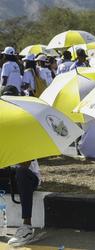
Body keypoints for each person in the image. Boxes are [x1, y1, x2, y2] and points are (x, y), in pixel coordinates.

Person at [1, 86, 41, 247]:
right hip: (7, 174)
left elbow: (26, 162)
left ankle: (26, 226)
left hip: (27, 177)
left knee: (21, 171)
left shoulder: (25, 124)